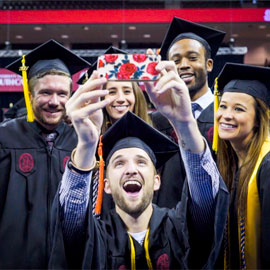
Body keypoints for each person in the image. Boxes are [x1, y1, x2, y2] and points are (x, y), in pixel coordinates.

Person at [48, 68, 229, 269]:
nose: (131, 169)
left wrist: (185, 123)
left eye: (141, 162)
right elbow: (71, 216)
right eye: (119, 163)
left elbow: (205, 196)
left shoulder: (179, 230)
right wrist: (86, 145)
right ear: (106, 185)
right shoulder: (95, 238)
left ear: (157, 180)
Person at [0, 39, 90, 269]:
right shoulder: (6, 138)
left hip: (69, 259)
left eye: (62, 94)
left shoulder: (82, 142)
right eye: (45, 93)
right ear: (29, 95)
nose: (54, 102)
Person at [148, 17, 226, 209]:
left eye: (192, 58)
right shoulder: (157, 121)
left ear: (209, 64)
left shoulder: (225, 116)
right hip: (166, 225)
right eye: (175, 60)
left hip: (216, 221)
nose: (183, 65)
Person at [78, 46, 153, 218]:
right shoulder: (89, 140)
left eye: (127, 91)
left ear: (136, 95)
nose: (120, 98)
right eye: (111, 92)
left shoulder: (154, 134)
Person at [211, 63, 270, 269]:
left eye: (239, 109)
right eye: (224, 106)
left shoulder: (267, 166)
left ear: (257, 120)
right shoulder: (232, 164)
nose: (226, 115)